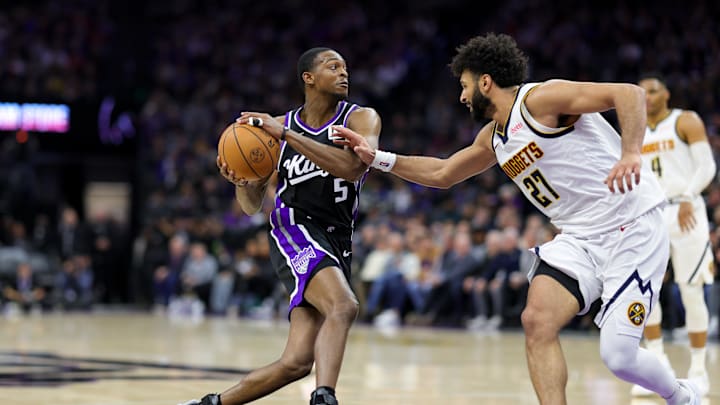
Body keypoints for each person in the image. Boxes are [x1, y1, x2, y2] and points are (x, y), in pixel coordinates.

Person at [332, 33, 701, 405]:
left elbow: (628, 93)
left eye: (464, 85)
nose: (461, 96)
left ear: (486, 82)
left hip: (632, 225)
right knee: (536, 322)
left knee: (618, 357)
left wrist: (631, 153)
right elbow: (443, 173)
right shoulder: (493, 138)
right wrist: (375, 157)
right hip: (580, 238)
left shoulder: (541, 99)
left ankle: (682, 396)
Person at [179, 47, 381, 405]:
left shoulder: (360, 119)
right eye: (333, 67)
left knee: (297, 362)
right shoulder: (276, 131)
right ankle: (324, 398)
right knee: (344, 306)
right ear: (309, 78)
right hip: (295, 230)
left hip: (337, 239)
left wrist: (287, 136)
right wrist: (245, 182)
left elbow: (354, 168)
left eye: (346, 68)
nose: (343, 73)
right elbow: (251, 206)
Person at [630, 75, 716, 397]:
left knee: (691, 289)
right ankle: (657, 363)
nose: (647, 97)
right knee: (645, 291)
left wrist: (688, 197)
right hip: (649, 214)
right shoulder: (633, 130)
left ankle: (697, 368)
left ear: (666, 93)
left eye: (652, 91)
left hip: (686, 210)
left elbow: (707, 167)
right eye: (642, 93)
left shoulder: (685, 120)